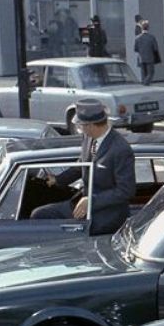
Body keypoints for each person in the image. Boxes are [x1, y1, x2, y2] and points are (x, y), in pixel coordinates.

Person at [31, 99, 136, 236]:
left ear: (91, 125)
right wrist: (57, 180)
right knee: (39, 214)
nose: (80, 129)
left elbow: (126, 190)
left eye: (81, 126)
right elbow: (82, 164)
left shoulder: (120, 149)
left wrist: (91, 201)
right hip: (83, 203)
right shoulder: (88, 137)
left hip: (106, 215)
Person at [134, 20, 161, 84]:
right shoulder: (151, 37)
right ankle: (145, 84)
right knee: (150, 73)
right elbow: (155, 48)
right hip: (150, 58)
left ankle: (144, 84)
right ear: (148, 28)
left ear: (141, 28)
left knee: (144, 74)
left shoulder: (137, 38)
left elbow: (135, 49)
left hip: (141, 58)